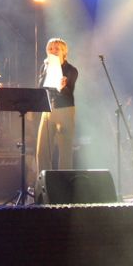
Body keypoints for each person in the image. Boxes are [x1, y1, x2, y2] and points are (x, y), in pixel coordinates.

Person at [36, 37, 78, 174]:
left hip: (65, 110)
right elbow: (40, 87)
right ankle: (43, 182)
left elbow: (69, 93)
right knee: (42, 150)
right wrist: (46, 69)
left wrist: (63, 87)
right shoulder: (44, 67)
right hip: (48, 110)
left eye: (57, 49)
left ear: (63, 52)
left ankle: (65, 182)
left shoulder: (71, 70)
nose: (53, 51)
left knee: (65, 151)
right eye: (50, 49)